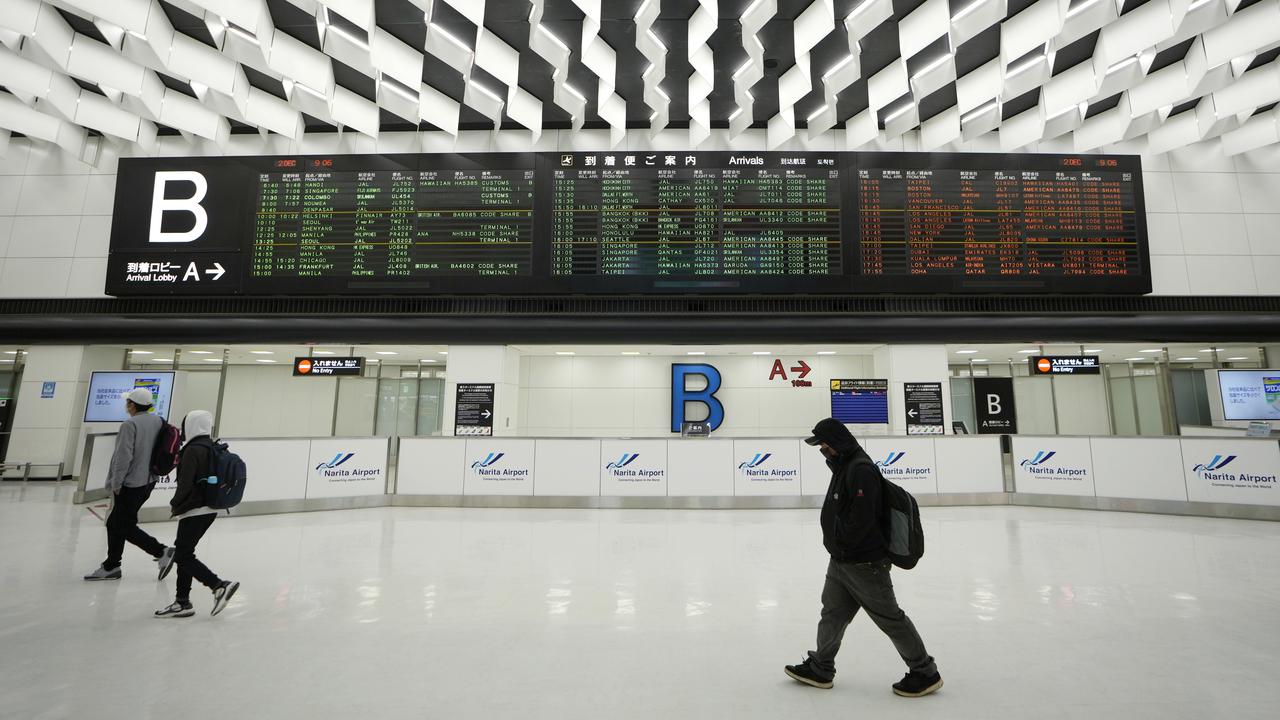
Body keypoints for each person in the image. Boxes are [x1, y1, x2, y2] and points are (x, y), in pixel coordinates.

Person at [784, 417, 942, 697]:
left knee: (890, 619)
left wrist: (844, 544)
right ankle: (821, 667)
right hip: (842, 561)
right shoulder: (845, 465)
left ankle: (924, 672)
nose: (822, 449)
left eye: (824, 444)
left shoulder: (861, 469)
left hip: (864, 563)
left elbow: (862, 518)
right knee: (832, 613)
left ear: (838, 442)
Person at [84, 388, 176, 581]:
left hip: (130, 483)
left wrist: (116, 483)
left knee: (122, 525)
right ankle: (112, 565)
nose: (126, 406)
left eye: (128, 402)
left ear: (132, 405)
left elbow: (123, 456)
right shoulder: (158, 421)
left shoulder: (130, 424)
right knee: (116, 523)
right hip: (148, 481)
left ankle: (161, 551)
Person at [154, 409, 240, 618]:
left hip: (193, 509)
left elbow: (185, 484)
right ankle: (182, 601)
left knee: (183, 555)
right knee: (185, 553)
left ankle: (219, 586)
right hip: (209, 508)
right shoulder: (212, 447)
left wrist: (175, 504)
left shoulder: (192, 450)